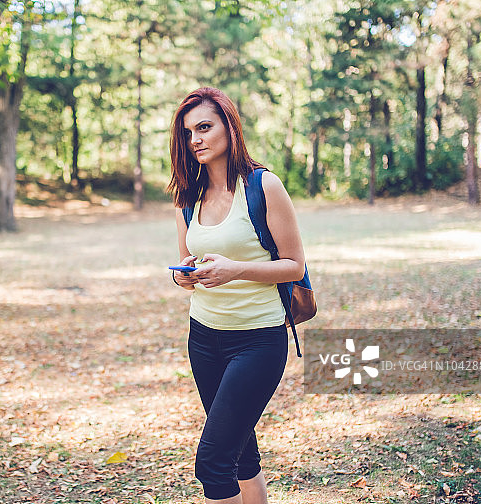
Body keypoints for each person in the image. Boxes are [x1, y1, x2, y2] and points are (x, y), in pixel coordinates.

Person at [167, 87, 305, 504]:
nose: (196, 139)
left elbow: (294, 266)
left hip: (257, 341)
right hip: (203, 338)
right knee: (241, 455)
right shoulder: (187, 195)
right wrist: (184, 278)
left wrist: (235, 270)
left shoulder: (264, 186)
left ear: (230, 125)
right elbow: (185, 262)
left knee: (211, 462)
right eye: (189, 132)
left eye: (205, 127)